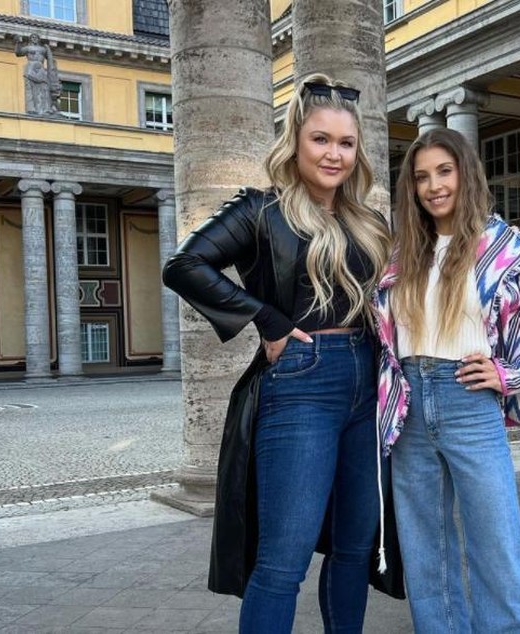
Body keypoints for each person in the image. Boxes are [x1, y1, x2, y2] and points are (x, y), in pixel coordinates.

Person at [162, 73, 396, 633]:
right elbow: (184, 265)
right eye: (321, 139)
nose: (334, 154)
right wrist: (267, 318)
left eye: (346, 142)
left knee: (354, 547)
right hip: (301, 380)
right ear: (294, 141)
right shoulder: (261, 211)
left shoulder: (369, 221)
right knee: (283, 559)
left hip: (372, 381)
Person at [374, 128, 520, 633]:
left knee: (497, 548)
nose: (433, 186)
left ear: (466, 173)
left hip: (469, 401)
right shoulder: (402, 252)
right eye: (422, 177)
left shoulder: (507, 248)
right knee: (427, 554)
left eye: (444, 172)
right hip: (409, 408)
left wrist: (511, 374)